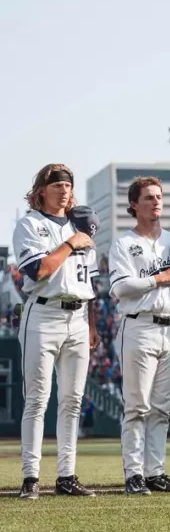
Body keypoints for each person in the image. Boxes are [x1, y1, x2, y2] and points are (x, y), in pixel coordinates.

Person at [12, 164, 101, 500]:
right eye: (57, 185)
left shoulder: (82, 227)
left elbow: (89, 282)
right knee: (36, 401)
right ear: (41, 191)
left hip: (78, 318)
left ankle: (66, 476)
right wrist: (70, 243)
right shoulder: (31, 224)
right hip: (42, 315)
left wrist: (91, 325)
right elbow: (37, 270)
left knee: (72, 401)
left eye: (67, 185)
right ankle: (31, 478)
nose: (64, 190)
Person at [108, 176, 170, 495]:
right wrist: (159, 278)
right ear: (134, 205)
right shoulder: (123, 244)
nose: (156, 201)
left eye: (159, 196)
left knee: (161, 408)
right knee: (137, 406)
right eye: (148, 197)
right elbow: (120, 288)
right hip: (138, 325)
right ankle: (133, 474)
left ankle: (154, 471)